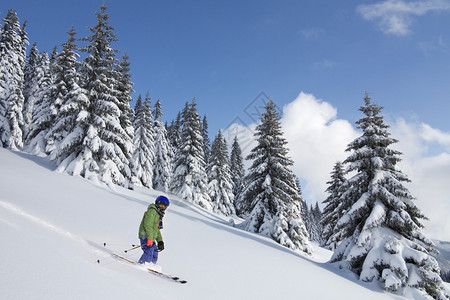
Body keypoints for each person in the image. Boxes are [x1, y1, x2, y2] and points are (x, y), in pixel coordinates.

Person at [138, 195, 169, 265]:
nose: (163, 208)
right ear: (157, 203)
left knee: (155, 252)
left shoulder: (159, 215)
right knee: (149, 251)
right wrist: (149, 238)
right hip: (145, 235)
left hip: (151, 237)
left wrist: (160, 241)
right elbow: (147, 225)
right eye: (161, 205)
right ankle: (143, 265)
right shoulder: (152, 211)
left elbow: (157, 230)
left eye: (165, 207)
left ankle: (151, 265)